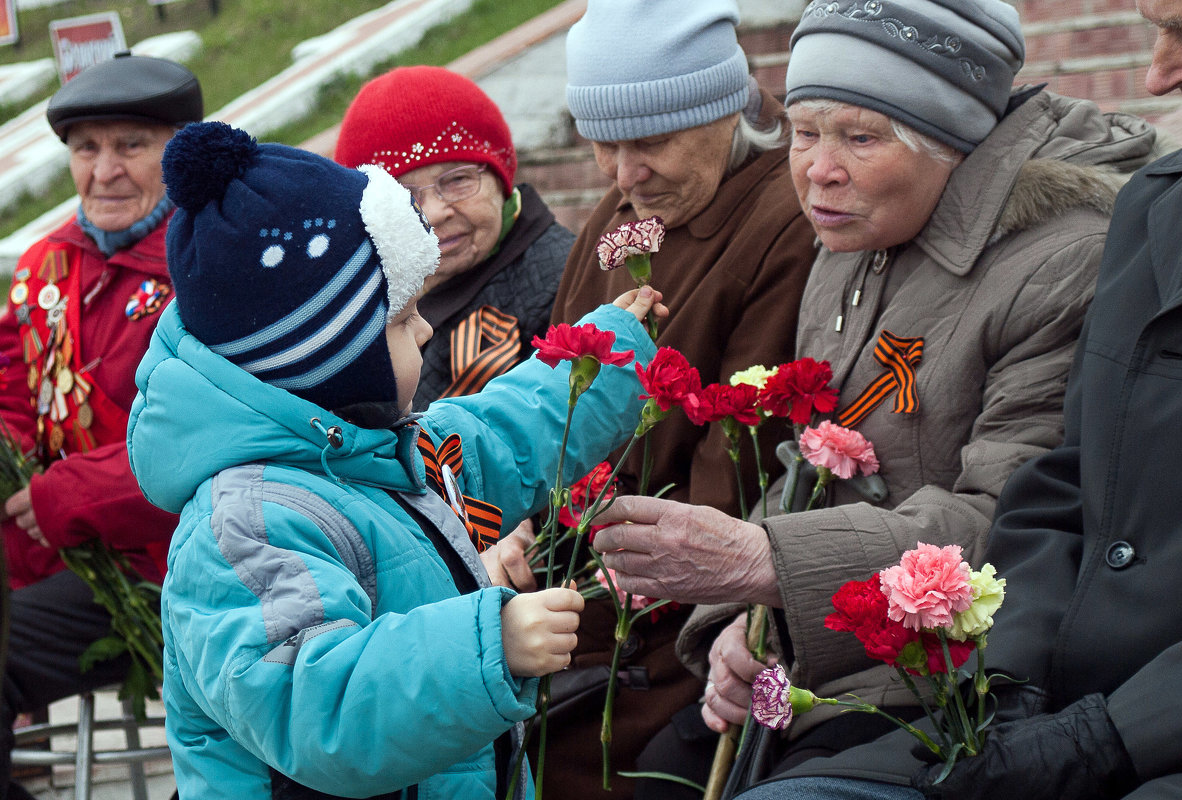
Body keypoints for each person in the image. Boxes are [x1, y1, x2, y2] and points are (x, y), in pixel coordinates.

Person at [588, 0, 1159, 794]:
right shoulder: (852, 233)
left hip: (951, 683)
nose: (815, 169)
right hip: (821, 650)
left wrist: (765, 568)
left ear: (955, 141)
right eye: (803, 129)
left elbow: (1012, 519)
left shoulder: (1061, 263)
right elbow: (807, 461)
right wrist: (740, 627)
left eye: (860, 136)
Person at [126, 120, 665, 800]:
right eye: (403, 319)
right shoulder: (244, 526)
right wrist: (488, 646)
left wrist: (608, 354)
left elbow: (501, 432)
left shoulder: (375, 453)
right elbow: (318, 706)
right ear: (325, 359)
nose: (427, 327)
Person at [542, 2, 818, 794]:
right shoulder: (631, 212)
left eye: (652, 142)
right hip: (585, 575)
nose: (625, 175)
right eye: (604, 145)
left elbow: (729, 486)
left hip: (675, 619)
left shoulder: (782, 221)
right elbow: (554, 392)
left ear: (724, 110)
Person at [0, 53, 202, 800]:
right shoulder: (49, 262)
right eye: (87, 148)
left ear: (178, 150)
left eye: (131, 145)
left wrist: (67, 498)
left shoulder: (208, 260)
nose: (106, 169)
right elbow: (13, 392)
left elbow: (206, 440)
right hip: (66, 563)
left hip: (179, 566)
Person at [333, 65, 575, 412]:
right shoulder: (362, 300)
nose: (433, 213)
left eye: (457, 180)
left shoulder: (561, 288)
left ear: (500, 178)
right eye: (403, 195)